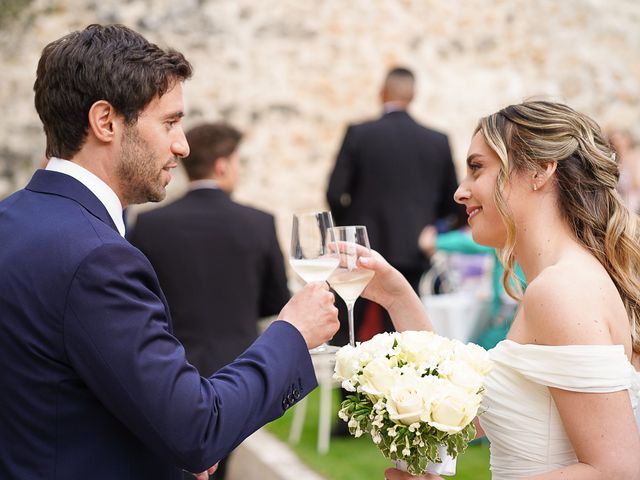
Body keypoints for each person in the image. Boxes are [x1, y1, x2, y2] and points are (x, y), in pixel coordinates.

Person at [0, 24, 339, 480]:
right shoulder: (99, 258)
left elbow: (53, 393)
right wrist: (293, 332)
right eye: (170, 122)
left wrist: (166, 440)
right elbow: (199, 429)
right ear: (105, 122)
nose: (182, 145)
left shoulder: (12, 219)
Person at [355, 100, 640, 479]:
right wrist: (397, 296)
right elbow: (462, 408)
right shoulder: (555, 284)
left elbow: (616, 471)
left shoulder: (562, 290)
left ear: (539, 170)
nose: (460, 192)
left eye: (477, 168)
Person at [129, 122, 291, 479]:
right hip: (237, 367)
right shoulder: (258, 222)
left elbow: (140, 298)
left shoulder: (148, 224)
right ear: (221, 165)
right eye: (237, 162)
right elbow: (276, 300)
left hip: (169, 365)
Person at [326, 66, 463, 345]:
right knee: (406, 337)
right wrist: (431, 227)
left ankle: (345, 388)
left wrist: (348, 230)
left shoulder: (359, 134)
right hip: (411, 250)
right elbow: (455, 204)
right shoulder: (437, 141)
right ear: (413, 95)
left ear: (382, 92)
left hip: (360, 252)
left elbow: (334, 192)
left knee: (346, 332)